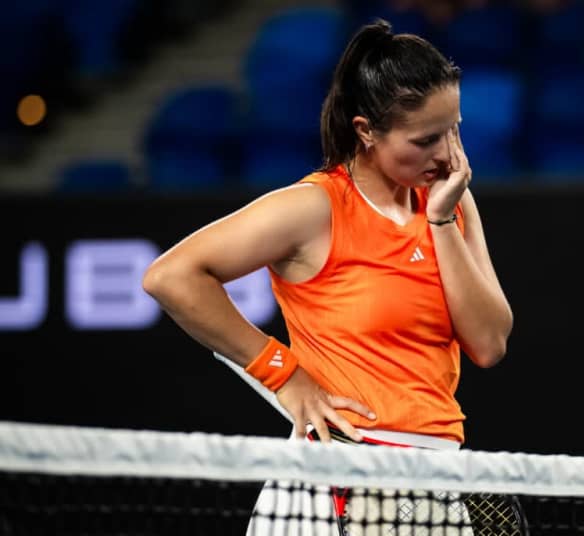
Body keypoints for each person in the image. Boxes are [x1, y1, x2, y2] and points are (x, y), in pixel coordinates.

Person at [143, 16, 514, 533]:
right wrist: (284, 375)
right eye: (426, 138)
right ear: (366, 131)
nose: (447, 153)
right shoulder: (314, 208)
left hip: (433, 478)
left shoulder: (451, 199)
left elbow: (489, 344)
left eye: (453, 129)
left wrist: (441, 220)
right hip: (332, 481)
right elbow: (171, 276)